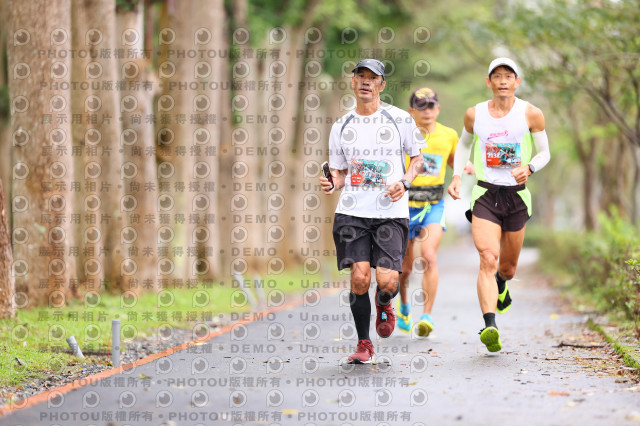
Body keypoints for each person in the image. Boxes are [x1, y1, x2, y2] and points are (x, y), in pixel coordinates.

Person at [319, 58, 425, 364]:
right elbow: (340, 173)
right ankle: (364, 342)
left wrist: (405, 182)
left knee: (388, 281)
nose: (366, 81)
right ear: (353, 82)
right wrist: (332, 183)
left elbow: (418, 159)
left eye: (372, 77)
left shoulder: (400, 119)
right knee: (360, 278)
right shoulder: (341, 126)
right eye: (361, 76)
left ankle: (384, 302)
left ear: (381, 84)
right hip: (352, 212)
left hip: (391, 211)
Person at [447, 58, 550, 352]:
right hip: (485, 194)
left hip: (517, 196)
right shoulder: (475, 114)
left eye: (508, 76)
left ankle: (502, 284)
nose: (503, 81)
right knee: (488, 258)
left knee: (507, 267)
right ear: (488, 82)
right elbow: (463, 145)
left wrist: (529, 168)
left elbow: (545, 152)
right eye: (497, 76)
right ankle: (490, 325)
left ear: (517, 82)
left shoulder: (531, 113)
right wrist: (457, 175)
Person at [396, 87, 466, 337]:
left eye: (431, 105)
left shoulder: (449, 135)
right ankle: (404, 304)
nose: (427, 111)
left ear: (438, 108)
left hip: (433, 206)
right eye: (421, 106)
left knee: (429, 256)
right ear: (411, 111)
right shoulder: (402, 135)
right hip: (404, 206)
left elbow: (456, 162)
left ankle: (426, 316)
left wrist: (461, 173)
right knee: (404, 269)